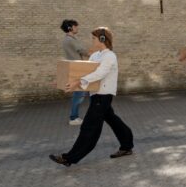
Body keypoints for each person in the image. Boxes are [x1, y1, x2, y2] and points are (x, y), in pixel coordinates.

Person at [50, 27, 134, 166]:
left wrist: (78, 82)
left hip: (104, 95)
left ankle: (69, 158)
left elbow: (99, 73)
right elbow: (84, 71)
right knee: (113, 120)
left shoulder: (109, 56)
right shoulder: (96, 56)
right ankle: (127, 145)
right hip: (96, 95)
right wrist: (62, 81)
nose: (92, 40)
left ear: (102, 39)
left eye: (94, 38)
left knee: (90, 127)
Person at [61, 19, 88, 125]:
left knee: (81, 93)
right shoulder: (70, 40)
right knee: (79, 94)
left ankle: (75, 117)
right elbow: (82, 50)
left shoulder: (68, 39)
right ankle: (73, 117)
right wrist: (96, 54)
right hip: (77, 68)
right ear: (69, 27)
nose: (77, 28)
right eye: (75, 26)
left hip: (75, 67)